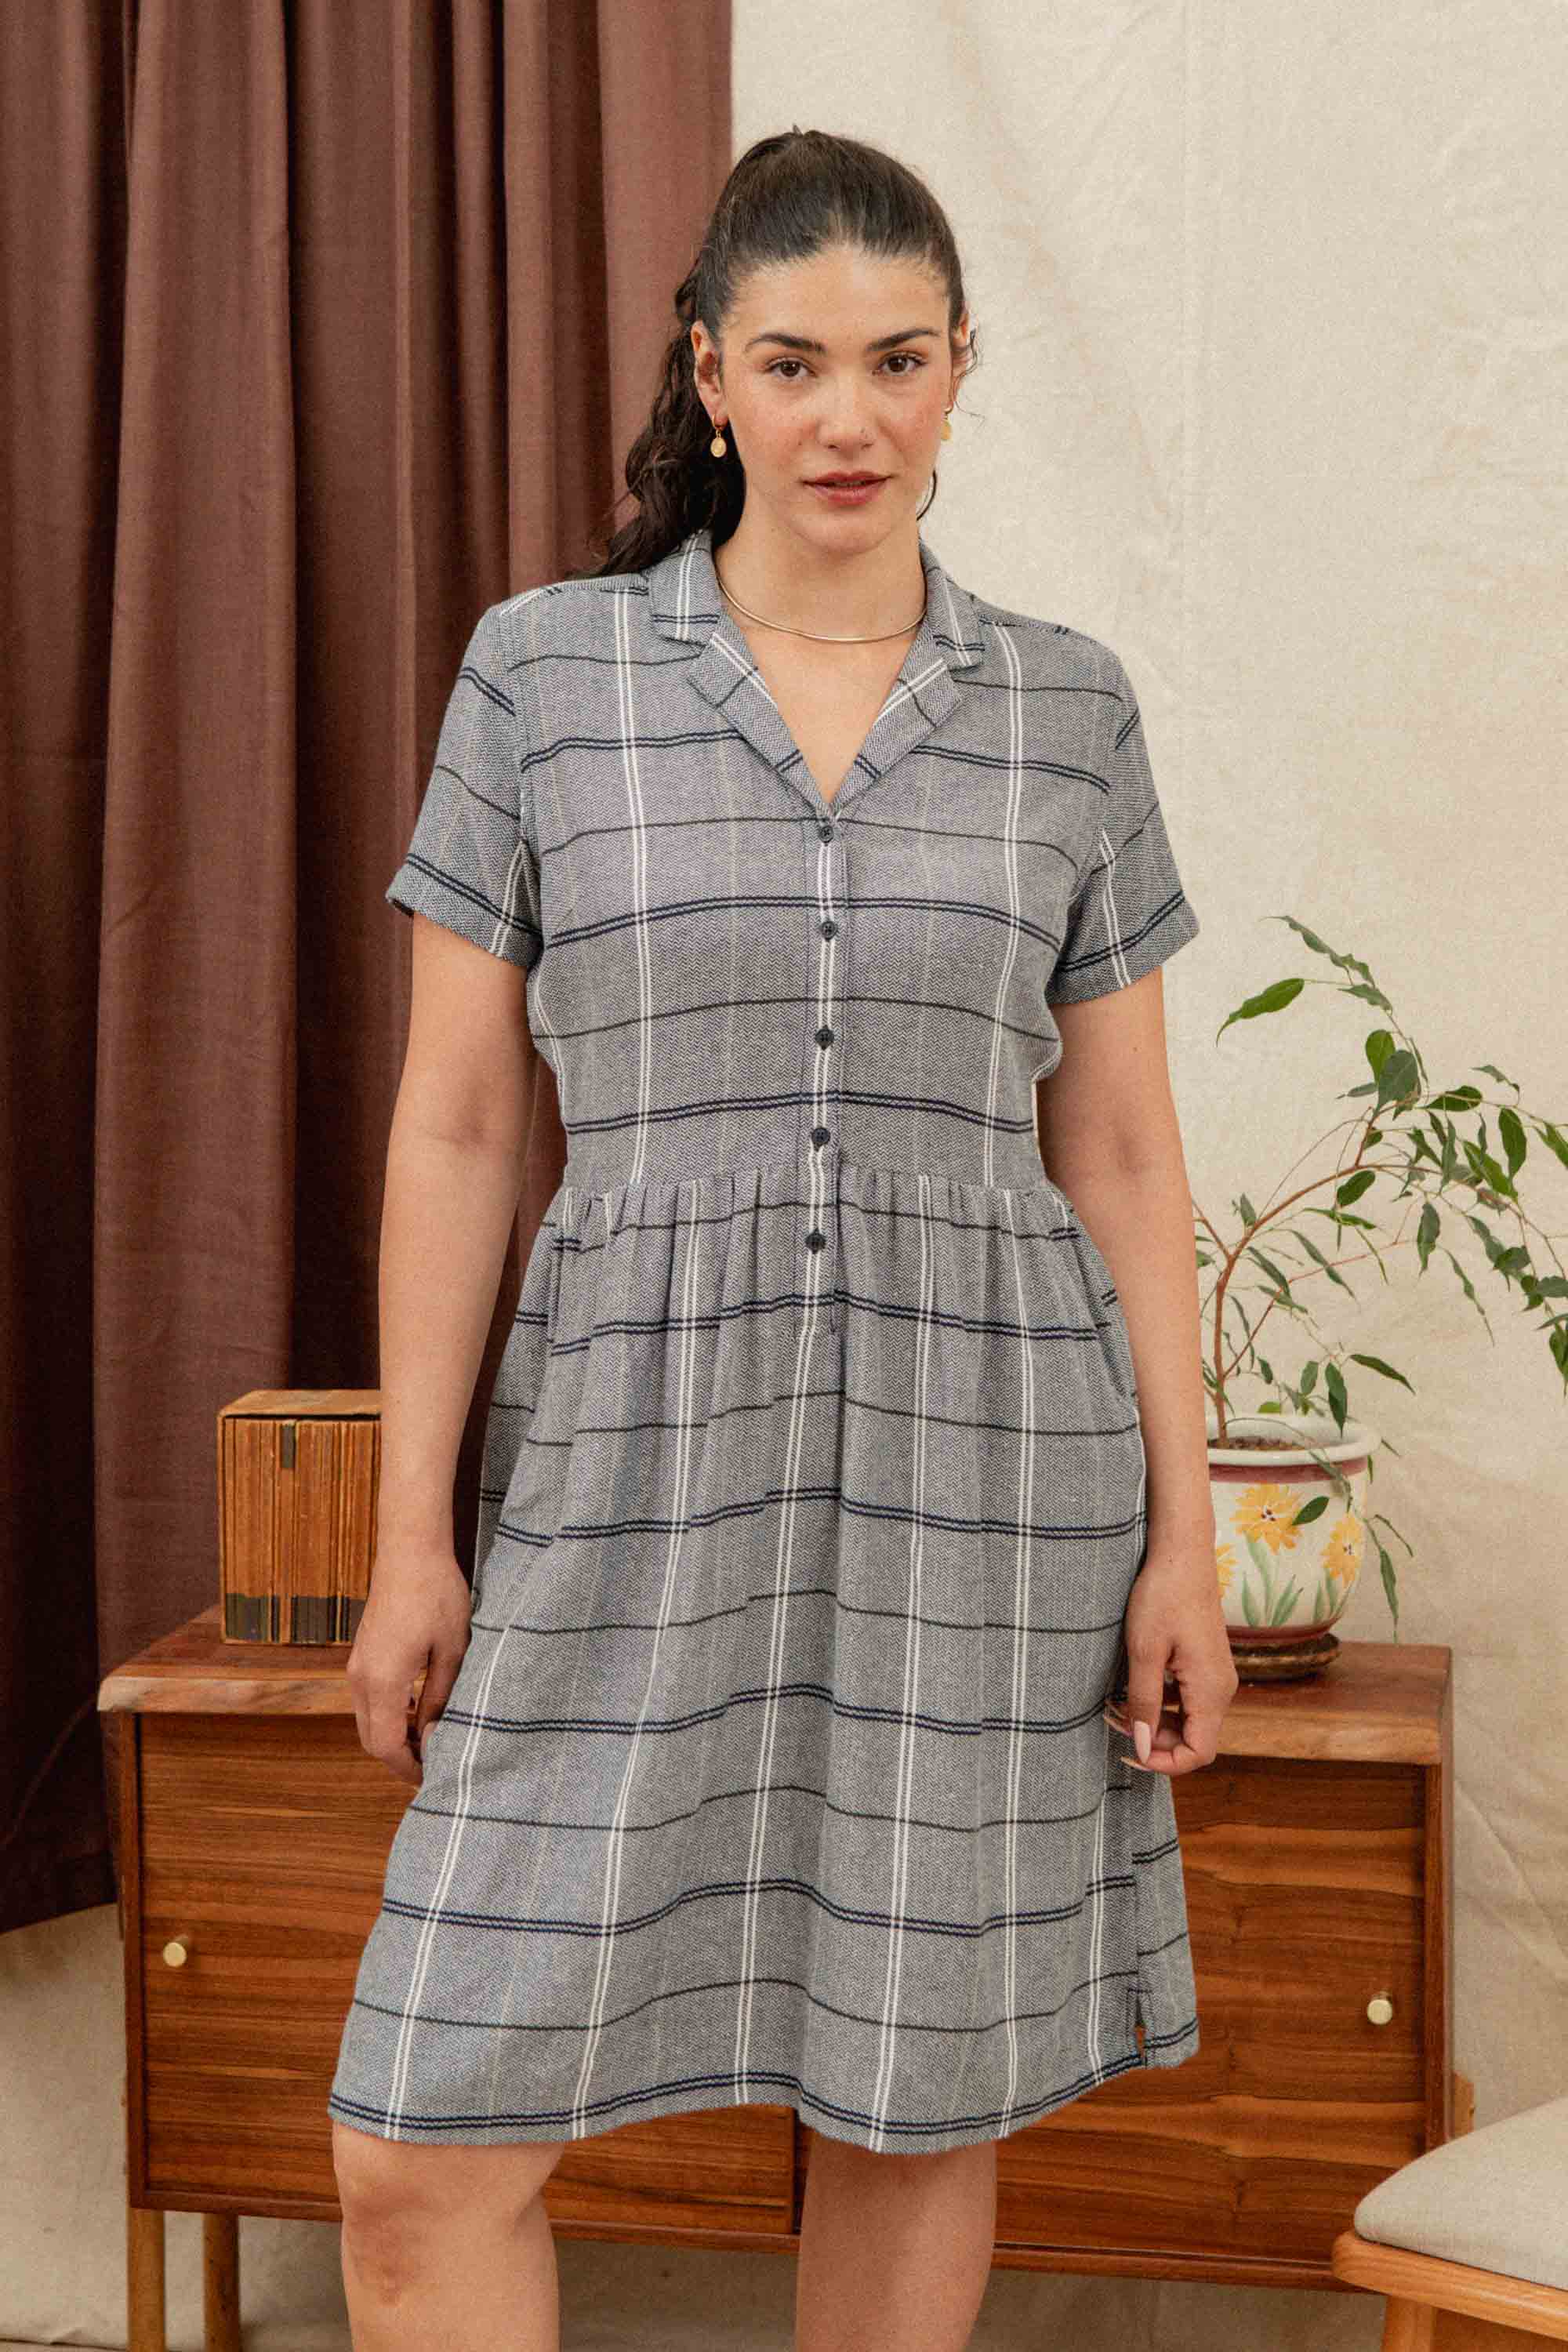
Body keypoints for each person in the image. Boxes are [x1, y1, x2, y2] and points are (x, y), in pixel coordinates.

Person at [329, 125, 1236, 2352]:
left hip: (986, 1473)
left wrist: (1184, 1542)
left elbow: (1119, 1154)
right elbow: (457, 1128)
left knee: (915, 2099)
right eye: (797, 361)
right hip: (624, 1457)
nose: (851, 414)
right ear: (709, 375)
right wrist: (410, 1531)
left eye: (899, 360)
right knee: (415, 2143)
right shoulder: (543, 675)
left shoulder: (1068, 708)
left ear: (958, 379)